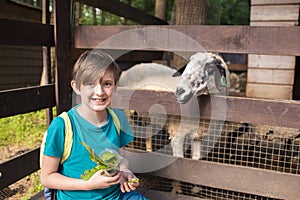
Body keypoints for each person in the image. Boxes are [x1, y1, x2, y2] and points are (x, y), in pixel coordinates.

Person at [40, 50, 148, 200]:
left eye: (107, 84)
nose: (99, 92)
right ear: (76, 87)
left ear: (115, 86)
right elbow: (47, 177)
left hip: (115, 195)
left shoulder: (118, 119)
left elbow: (121, 157)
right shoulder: (62, 126)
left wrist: (124, 171)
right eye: (90, 83)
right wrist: (88, 184)